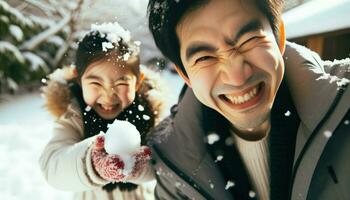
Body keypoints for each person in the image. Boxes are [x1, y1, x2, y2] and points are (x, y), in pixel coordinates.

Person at [146, 0, 350, 199]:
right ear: (185, 75)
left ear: (279, 38)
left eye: (249, 40)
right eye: (205, 58)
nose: (237, 77)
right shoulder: (172, 164)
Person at [39, 22, 166, 200]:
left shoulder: (149, 112)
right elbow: (52, 166)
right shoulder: (74, 114)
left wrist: (139, 168)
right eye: (96, 83)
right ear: (79, 79)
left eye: (121, 84)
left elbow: (164, 163)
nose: (108, 96)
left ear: (138, 81)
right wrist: (92, 165)